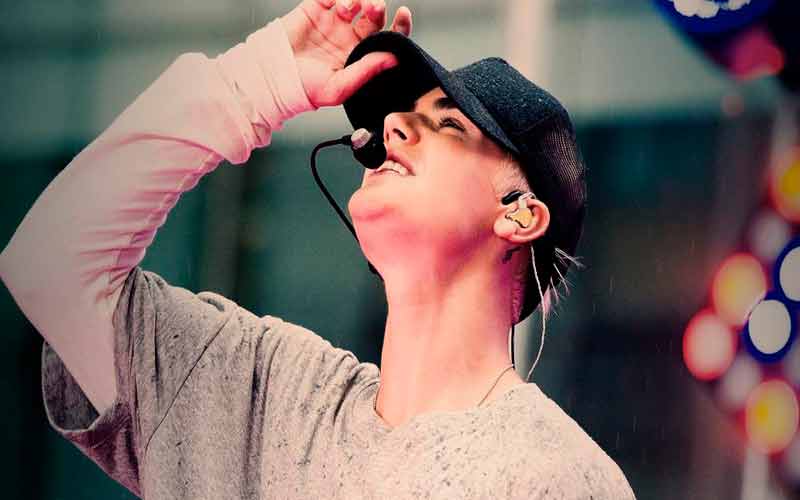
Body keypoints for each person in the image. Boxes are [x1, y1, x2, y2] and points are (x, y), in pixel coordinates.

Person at [0, 0, 635, 498]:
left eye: (447, 123)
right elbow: (52, 261)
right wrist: (261, 79)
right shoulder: (260, 392)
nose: (392, 126)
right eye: (397, 117)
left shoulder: (554, 476)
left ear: (520, 214)